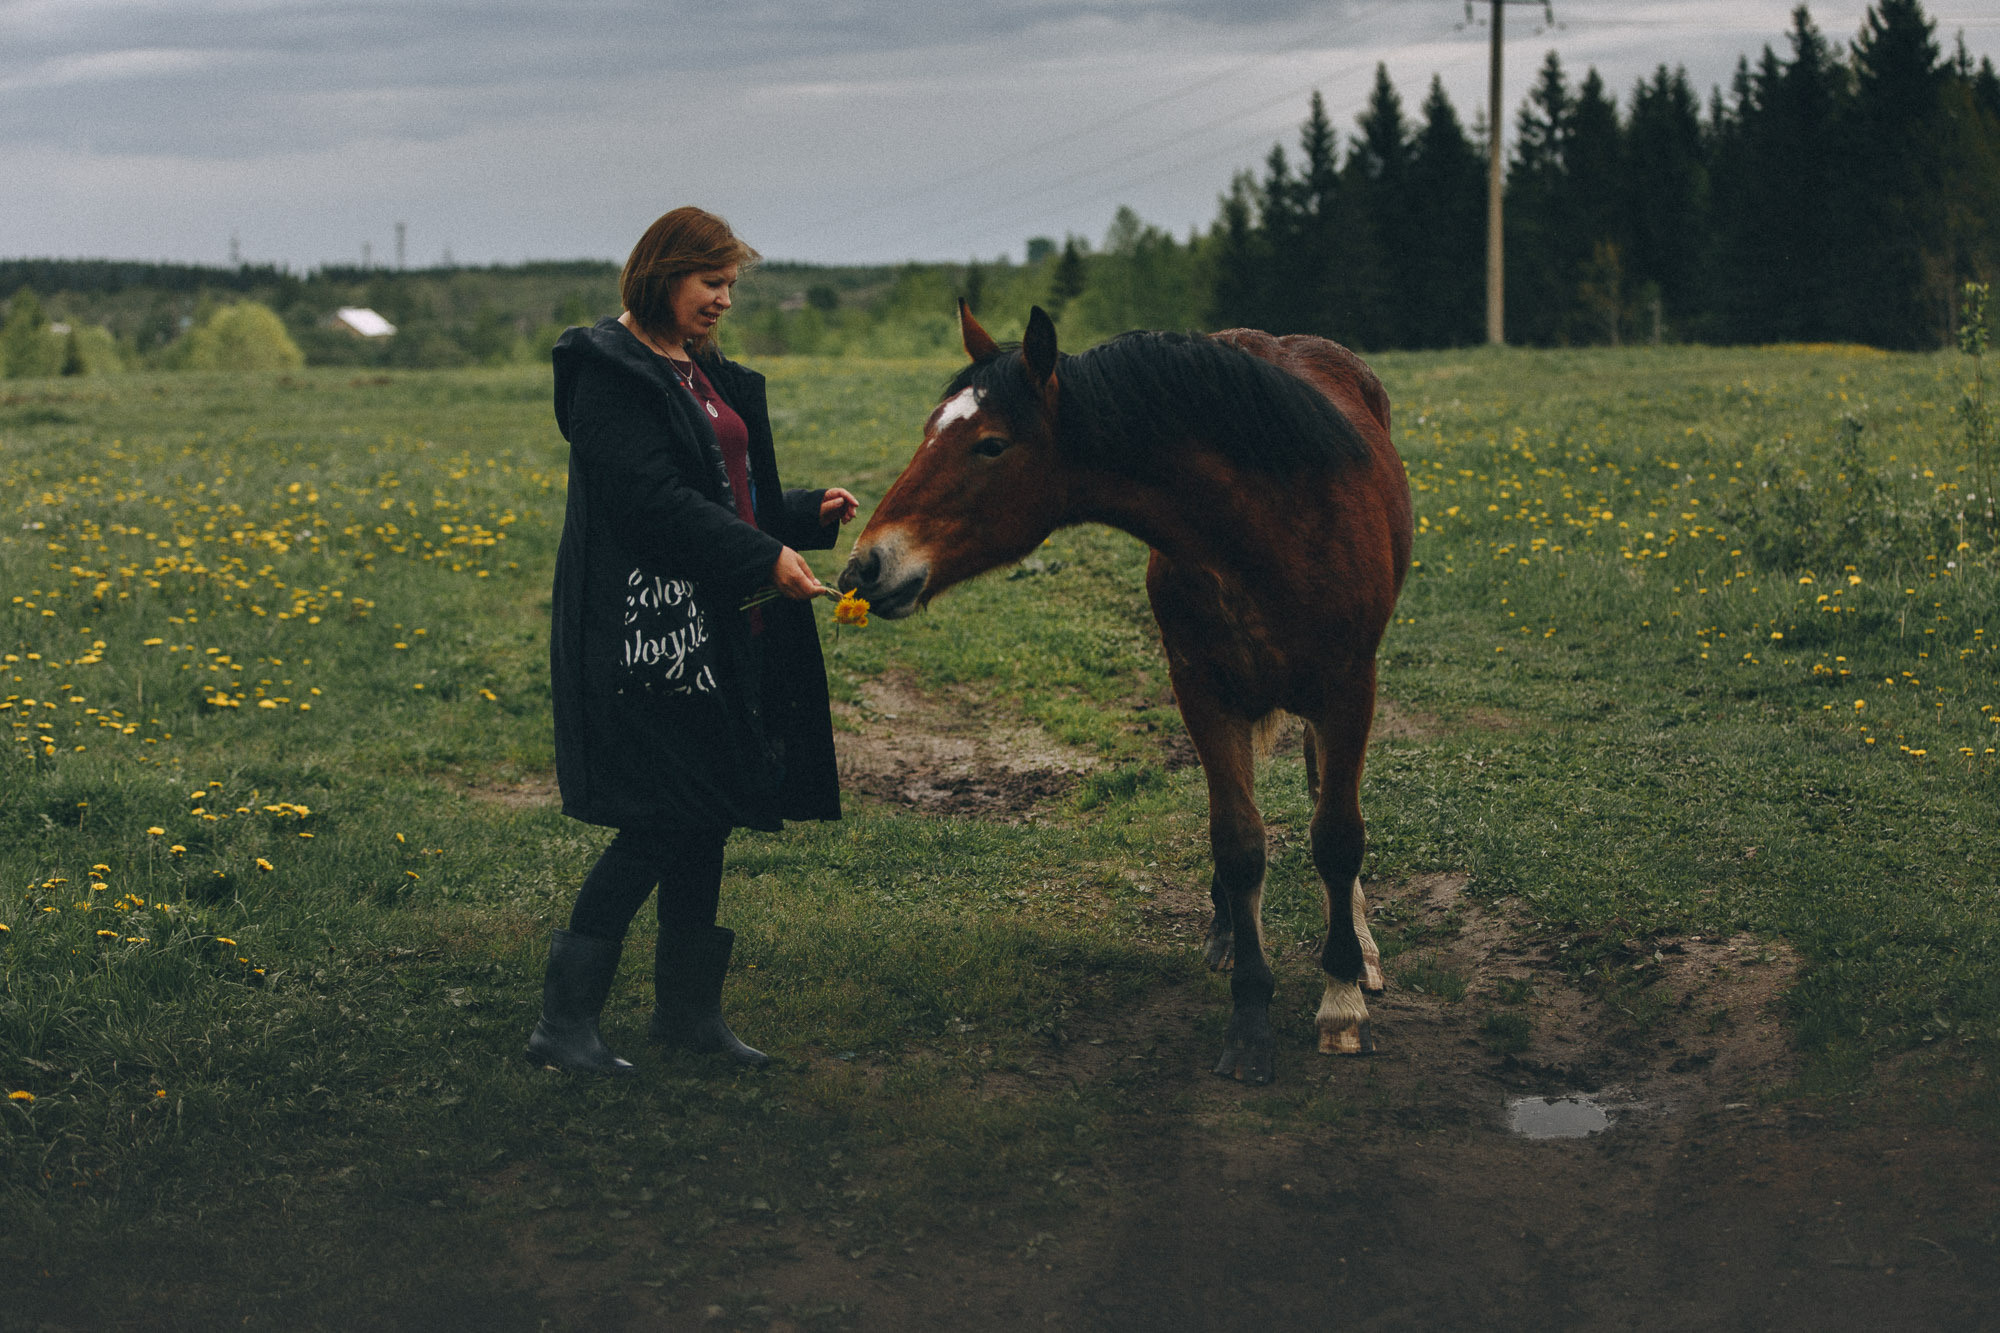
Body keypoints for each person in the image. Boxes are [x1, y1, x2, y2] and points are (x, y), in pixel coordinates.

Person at [527, 206, 858, 1075]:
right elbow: (653, 504)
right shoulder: (610, 373)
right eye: (711, 282)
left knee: (705, 814)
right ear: (662, 274)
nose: (724, 299)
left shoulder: (700, 369)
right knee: (658, 818)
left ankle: (687, 1015)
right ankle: (563, 1024)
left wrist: (799, 517)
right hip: (650, 638)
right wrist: (762, 556)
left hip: (722, 630)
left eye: (731, 285)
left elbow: (722, 492)